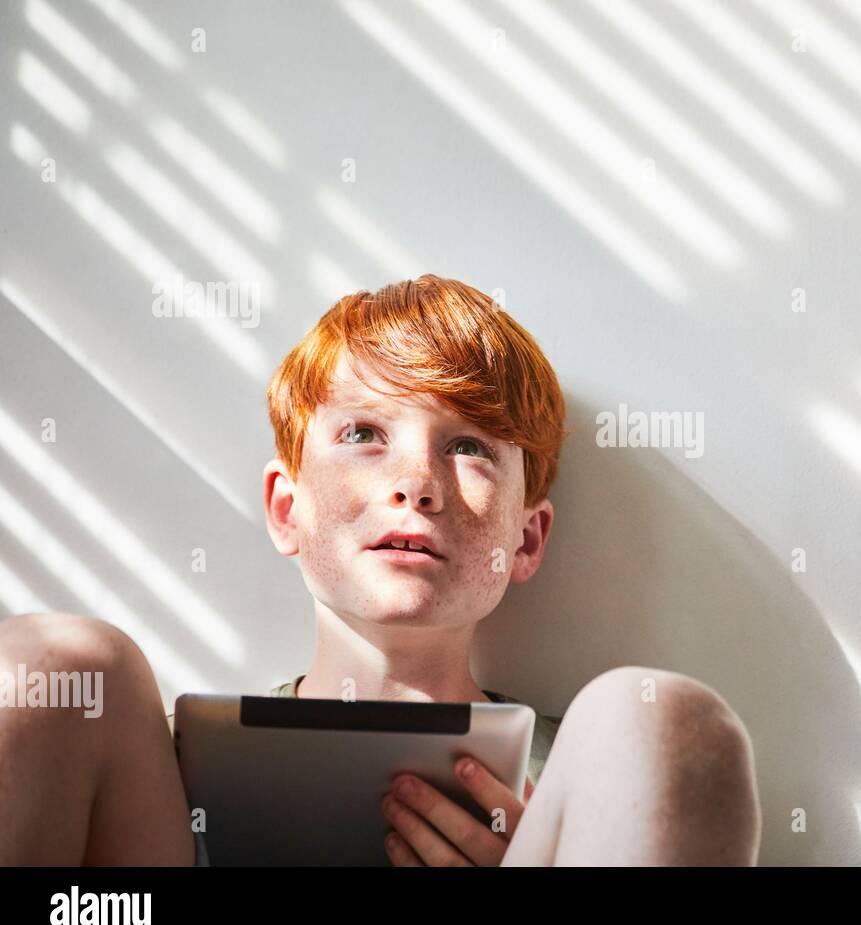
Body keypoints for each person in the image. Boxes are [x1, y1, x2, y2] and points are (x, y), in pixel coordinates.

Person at [0, 274, 761, 866]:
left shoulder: (594, 770)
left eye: (469, 447)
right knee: (62, 666)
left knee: (662, 720)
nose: (418, 482)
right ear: (285, 509)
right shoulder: (147, 772)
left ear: (527, 540)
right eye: (364, 433)